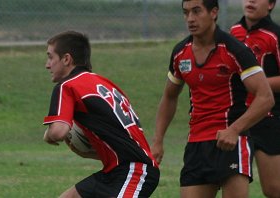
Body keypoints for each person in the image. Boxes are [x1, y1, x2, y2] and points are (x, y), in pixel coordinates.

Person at [151, 0, 275, 197]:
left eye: (197, 11)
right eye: (186, 13)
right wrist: (158, 140)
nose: (190, 19)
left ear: (214, 12)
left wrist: (234, 130)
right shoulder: (180, 53)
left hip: (232, 142)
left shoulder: (235, 50)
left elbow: (265, 98)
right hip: (197, 144)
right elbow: (169, 97)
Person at [42, 31, 159, 198]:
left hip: (134, 171)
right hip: (117, 170)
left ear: (66, 59)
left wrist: (48, 135)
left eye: (50, 57)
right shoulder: (104, 84)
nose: (47, 64)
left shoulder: (67, 86)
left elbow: (58, 131)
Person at [230, 0, 280, 197]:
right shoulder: (233, 32)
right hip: (237, 118)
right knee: (232, 181)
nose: (250, 1)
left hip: (268, 118)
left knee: (273, 189)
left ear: (271, 5)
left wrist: (257, 84)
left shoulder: (274, 35)